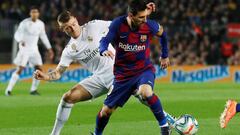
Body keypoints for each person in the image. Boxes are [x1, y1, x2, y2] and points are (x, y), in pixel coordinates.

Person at [34, 9, 175, 135]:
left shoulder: (94, 26)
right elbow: (58, 72)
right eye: (67, 28)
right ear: (62, 29)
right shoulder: (69, 50)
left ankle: (170, 121)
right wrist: (46, 76)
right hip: (99, 78)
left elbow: (119, 24)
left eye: (73, 24)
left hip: (119, 73)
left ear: (76, 20)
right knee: (68, 97)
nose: (72, 28)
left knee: (142, 95)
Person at [92, 0, 170, 135]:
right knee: (106, 112)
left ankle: (164, 127)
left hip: (143, 70)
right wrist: (103, 49)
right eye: (141, 17)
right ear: (131, 15)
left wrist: (164, 55)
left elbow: (163, 35)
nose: (145, 20)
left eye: (146, 16)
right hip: (123, 75)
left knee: (146, 92)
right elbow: (105, 39)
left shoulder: (149, 25)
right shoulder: (118, 24)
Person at [5, 6, 54, 96]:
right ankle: (8, 90)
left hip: (34, 49)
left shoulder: (40, 24)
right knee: (20, 69)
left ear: (38, 13)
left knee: (39, 69)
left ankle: (33, 90)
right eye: (33, 12)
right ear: (30, 13)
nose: (34, 14)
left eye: (36, 12)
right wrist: (21, 40)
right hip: (25, 48)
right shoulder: (24, 23)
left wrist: (49, 48)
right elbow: (17, 34)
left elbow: (43, 36)